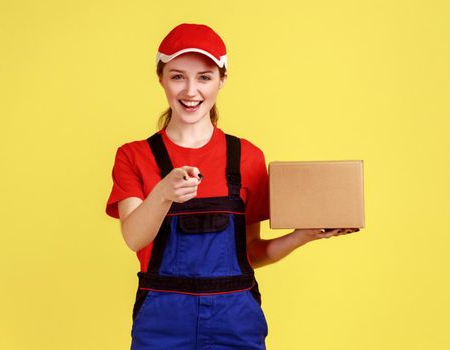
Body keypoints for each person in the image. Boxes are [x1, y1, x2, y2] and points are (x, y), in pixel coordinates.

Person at [105, 23, 360, 350]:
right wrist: (163, 194)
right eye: (178, 76)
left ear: (222, 79)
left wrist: (302, 236)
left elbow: (251, 253)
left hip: (235, 323)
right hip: (162, 324)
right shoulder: (134, 155)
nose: (190, 91)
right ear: (161, 78)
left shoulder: (247, 157)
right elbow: (133, 237)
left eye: (205, 77)